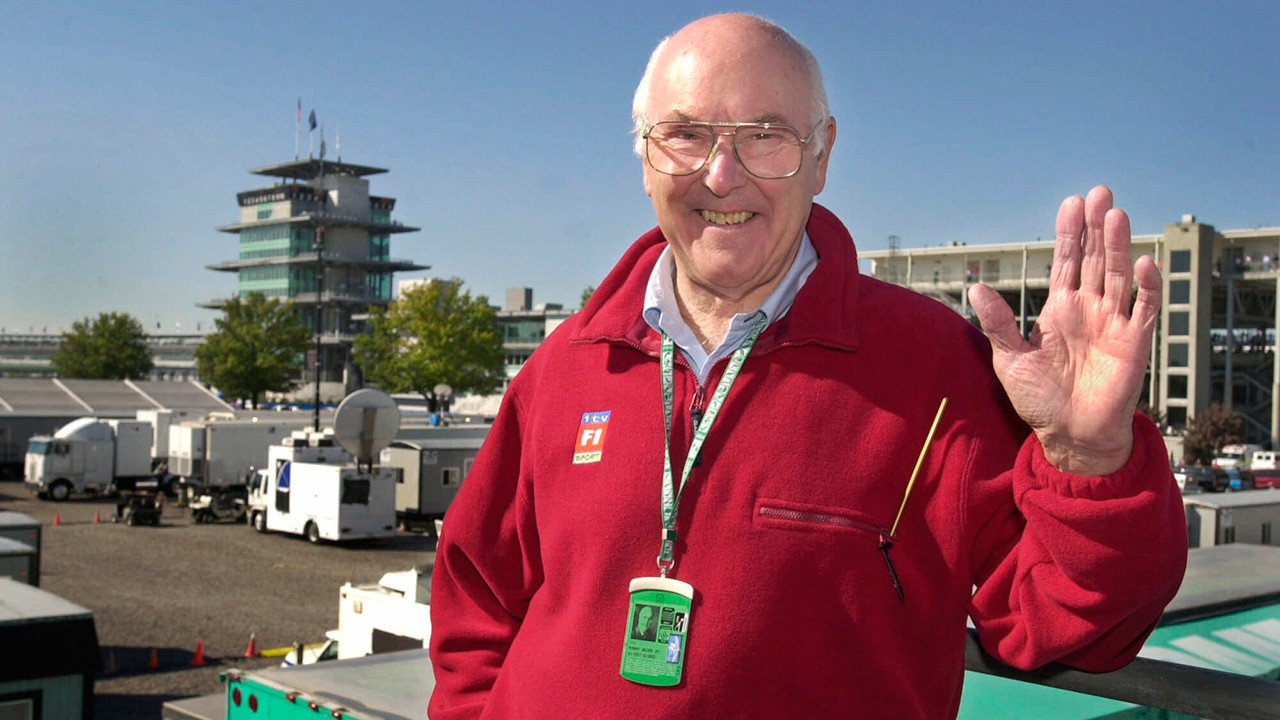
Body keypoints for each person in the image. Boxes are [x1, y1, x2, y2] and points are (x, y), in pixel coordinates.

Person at [428, 14, 1187, 719]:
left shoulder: (937, 371)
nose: (722, 175)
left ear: (821, 156)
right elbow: (476, 606)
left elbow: (1068, 623)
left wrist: (1088, 456)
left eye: (766, 135)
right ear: (644, 160)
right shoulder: (565, 366)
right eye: (685, 135)